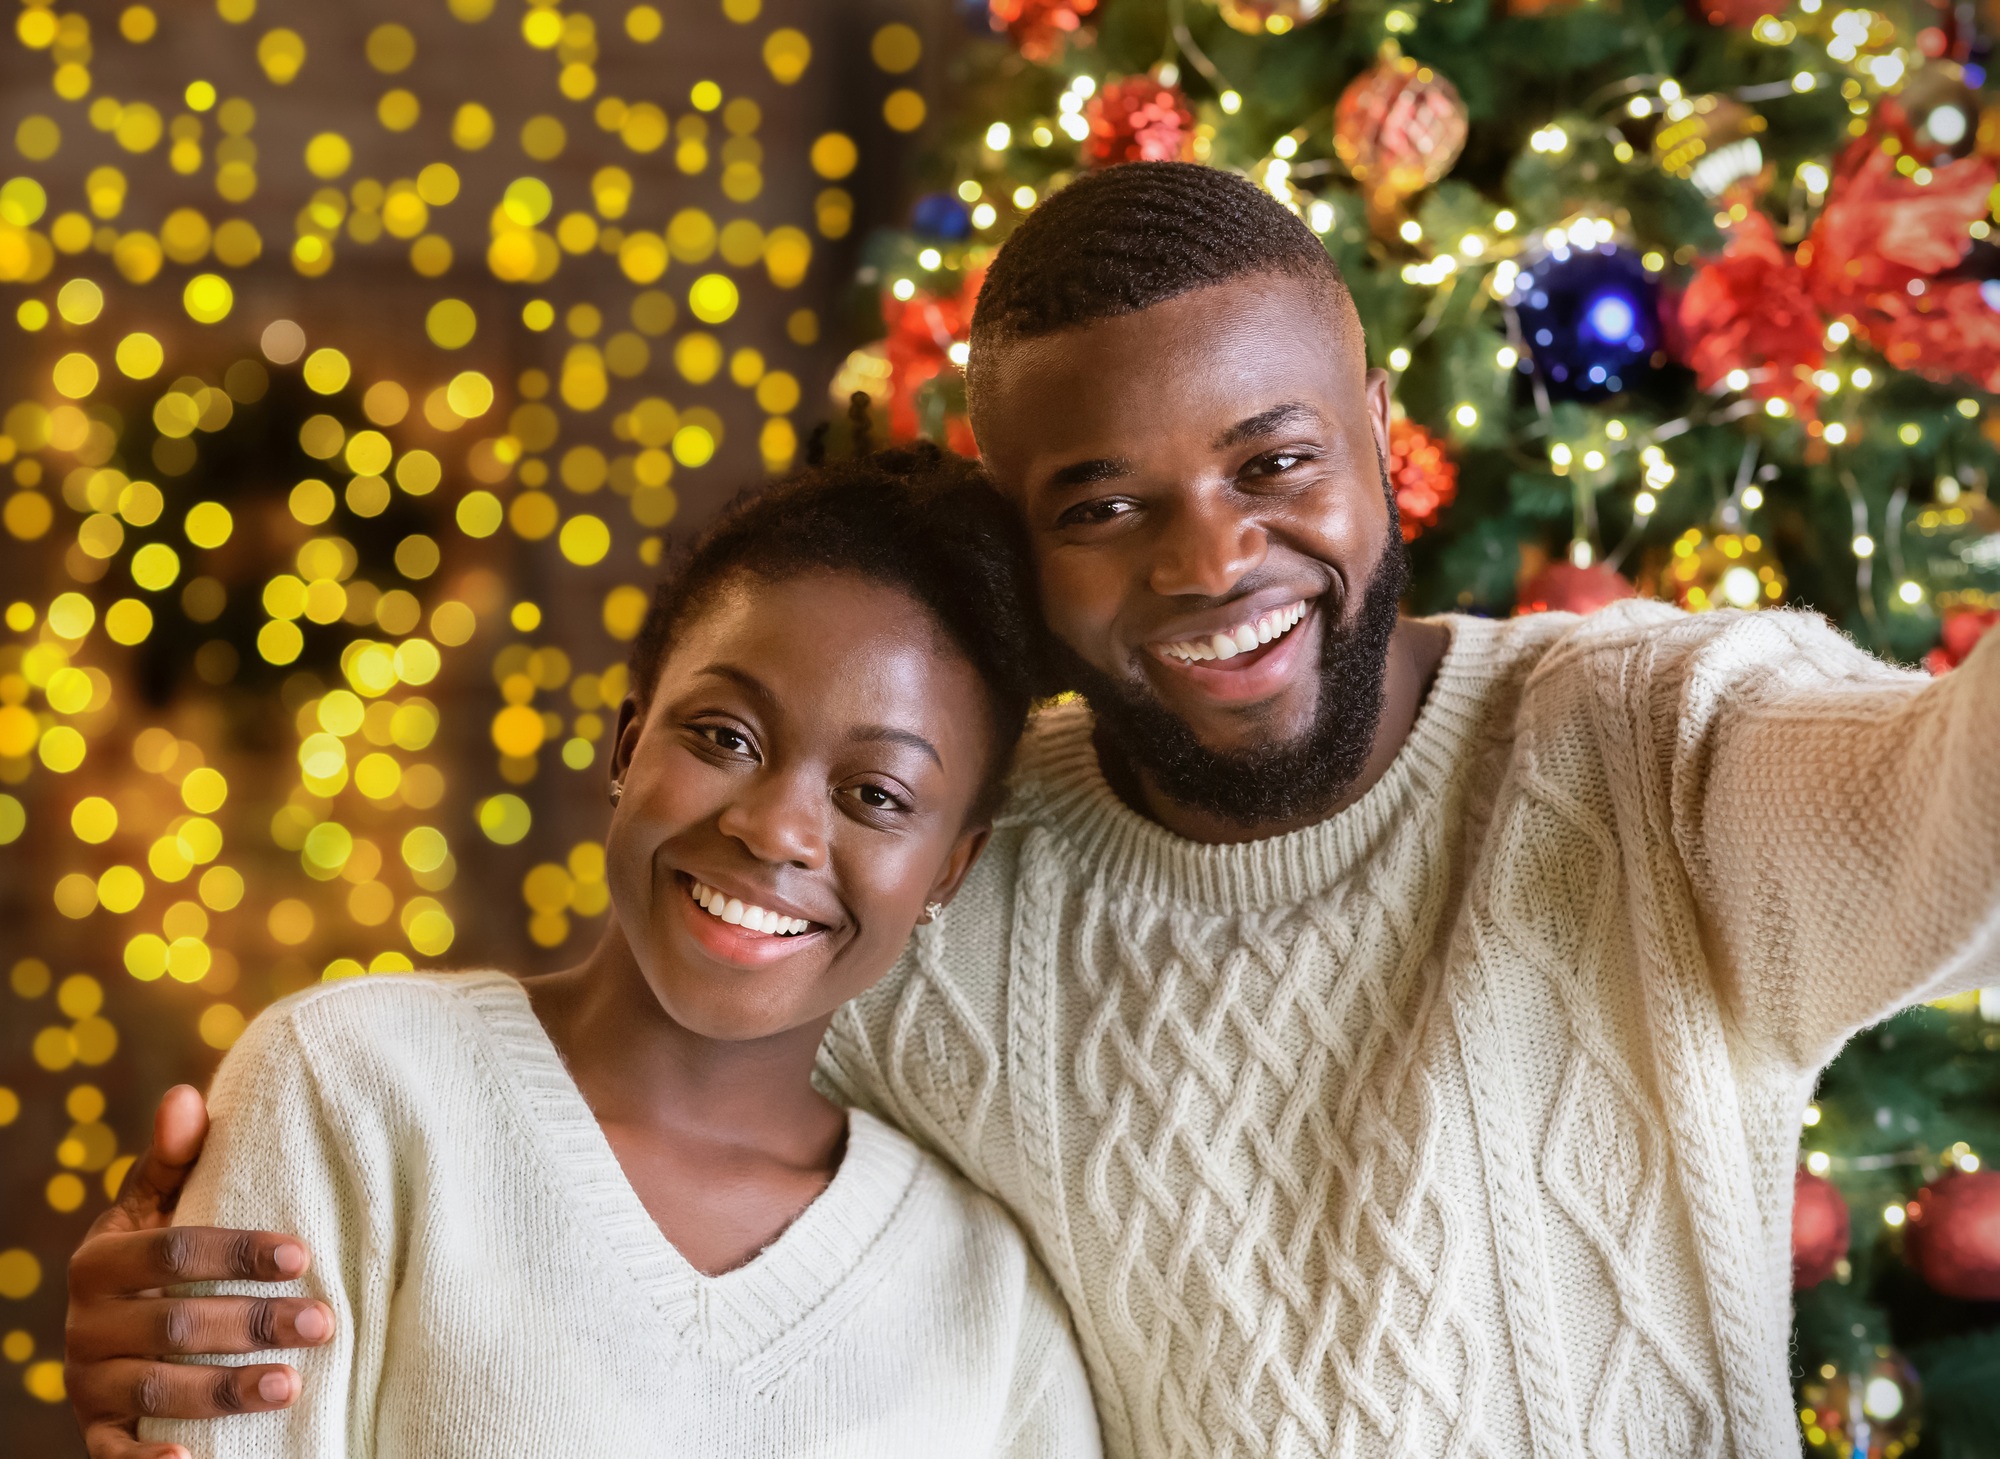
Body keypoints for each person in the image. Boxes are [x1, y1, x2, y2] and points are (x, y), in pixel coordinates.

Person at [68, 162, 2000, 1458]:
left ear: (1381, 439)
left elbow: (1946, 815)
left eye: (1277, 460)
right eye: (1102, 503)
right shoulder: (972, 871)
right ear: (1023, 536)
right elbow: (614, 1057)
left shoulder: (1657, 744)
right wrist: (213, 1226)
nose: (1213, 556)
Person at [101, 447, 1102, 1458]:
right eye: (725, 736)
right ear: (627, 746)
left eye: (876, 795)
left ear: (947, 871)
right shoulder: (349, 1085)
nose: (774, 828)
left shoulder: (988, 1298)